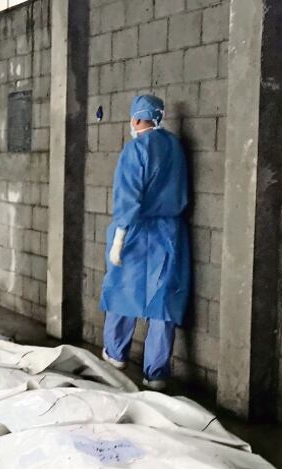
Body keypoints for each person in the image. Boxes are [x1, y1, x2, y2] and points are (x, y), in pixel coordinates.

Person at [99, 94, 190, 390]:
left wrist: (120, 237)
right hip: (169, 233)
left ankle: (115, 355)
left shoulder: (136, 149)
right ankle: (156, 373)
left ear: (136, 119)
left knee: (123, 291)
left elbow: (129, 196)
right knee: (162, 301)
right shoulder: (175, 147)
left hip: (136, 232)